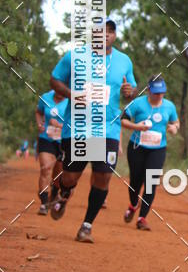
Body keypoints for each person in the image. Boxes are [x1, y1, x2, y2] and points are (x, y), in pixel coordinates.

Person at [49, 17, 137, 243]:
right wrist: (72, 94)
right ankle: (64, 191)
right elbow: (55, 80)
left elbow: (132, 89)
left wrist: (130, 92)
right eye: (100, 30)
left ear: (114, 36)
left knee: (103, 176)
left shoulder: (124, 60)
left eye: (110, 31)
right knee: (70, 176)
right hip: (78, 127)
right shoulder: (75, 56)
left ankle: (86, 226)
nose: (105, 34)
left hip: (107, 129)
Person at [120, 75, 179, 230]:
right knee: (135, 181)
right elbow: (123, 120)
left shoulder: (169, 106)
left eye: (162, 92)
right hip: (137, 148)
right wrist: (137, 127)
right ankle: (133, 205)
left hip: (158, 149)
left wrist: (174, 128)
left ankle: (142, 218)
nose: (159, 95)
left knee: (151, 182)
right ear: (148, 90)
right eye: (156, 92)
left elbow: (175, 122)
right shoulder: (137, 103)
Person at [35, 90, 68, 214]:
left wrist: (59, 125)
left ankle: (54, 193)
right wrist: (40, 124)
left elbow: (78, 123)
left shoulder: (72, 100)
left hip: (64, 141)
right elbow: (39, 112)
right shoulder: (45, 97)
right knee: (46, 168)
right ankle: (44, 203)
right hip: (46, 139)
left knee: (58, 176)